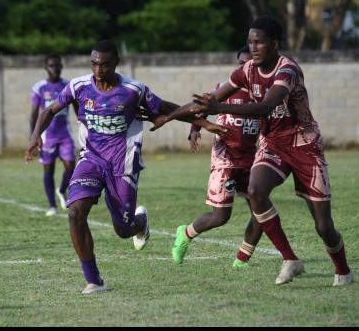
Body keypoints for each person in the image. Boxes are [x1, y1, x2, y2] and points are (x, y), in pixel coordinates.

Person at [152, 16, 353, 286]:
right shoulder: (247, 70)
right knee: (256, 191)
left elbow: (265, 106)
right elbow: (208, 100)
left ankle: (343, 271)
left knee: (323, 226)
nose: (254, 47)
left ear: (275, 43)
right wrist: (170, 115)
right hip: (272, 143)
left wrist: (218, 108)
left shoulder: (287, 70)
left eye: (259, 42)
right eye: (250, 41)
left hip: (305, 145)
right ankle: (290, 260)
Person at [25, 40, 229, 294]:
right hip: (91, 158)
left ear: (116, 63)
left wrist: (203, 124)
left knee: (122, 229)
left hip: (123, 164)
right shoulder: (78, 86)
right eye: (94, 63)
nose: (98, 69)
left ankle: (139, 222)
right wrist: (35, 137)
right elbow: (49, 110)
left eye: (105, 64)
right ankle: (94, 280)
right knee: (76, 212)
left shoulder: (134, 89)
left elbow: (167, 108)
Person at [172, 46, 264, 268]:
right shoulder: (224, 90)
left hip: (252, 159)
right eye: (243, 64)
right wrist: (195, 131)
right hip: (225, 159)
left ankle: (242, 260)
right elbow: (198, 110)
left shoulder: (266, 95)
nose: (248, 68)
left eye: (252, 64)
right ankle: (185, 233)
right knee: (221, 217)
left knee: (262, 213)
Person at [30, 54, 78, 216]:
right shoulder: (39, 88)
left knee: (71, 165)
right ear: (46, 67)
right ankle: (52, 206)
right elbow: (34, 115)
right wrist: (33, 137)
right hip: (47, 136)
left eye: (57, 65)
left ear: (61, 67)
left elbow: (79, 110)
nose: (55, 68)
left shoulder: (68, 86)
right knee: (48, 170)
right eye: (51, 65)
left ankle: (62, 190)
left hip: (65, 134)